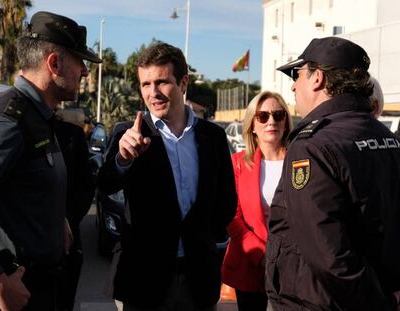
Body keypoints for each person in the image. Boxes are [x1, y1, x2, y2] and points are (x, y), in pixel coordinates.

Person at [97, 42, 237, 311]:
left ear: (183, 82)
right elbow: (106, 184)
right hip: (143, 278)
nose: (153, 93)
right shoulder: (129, 133)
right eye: (145, 84)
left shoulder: (213, 137)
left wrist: (204, 240)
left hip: (199, 276)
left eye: (161, 82)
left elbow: (226, 201)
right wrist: (122, 159)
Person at [265, 36, 400, 310]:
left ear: (318, 79)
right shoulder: (385, 135)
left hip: (322, 301)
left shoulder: (312, 144)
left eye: (297, 74)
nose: (293, 85)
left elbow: (329, 256)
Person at [0, 11, 101, 311]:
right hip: (18, 291)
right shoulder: (10, 121)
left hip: (45, 286)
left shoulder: (39, 117)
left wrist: (53, 218)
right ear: (54, 63)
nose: (85, 73)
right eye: (80, 62)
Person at [221, 91, 293, 311]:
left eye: (278, 115)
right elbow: (231, 216)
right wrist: (263, 256)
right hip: (251, 262)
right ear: (252, 125)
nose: (271, 121)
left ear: (286, 122)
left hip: (293, 265)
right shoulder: (237, 164)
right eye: (263, 116)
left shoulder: (301, 161)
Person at [55, 116, 95, 311]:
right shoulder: (7, 124)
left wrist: (69, 219)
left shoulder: (72, 134)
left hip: (67, 253)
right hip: (17, 262)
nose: (78, 83)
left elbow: (86, 187)